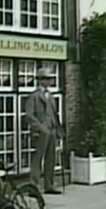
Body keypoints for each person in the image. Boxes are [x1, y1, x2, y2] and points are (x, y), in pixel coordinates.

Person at [25, 67, 65, 195]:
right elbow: (29, 115)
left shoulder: (51, 96)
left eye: (50, 78)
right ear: (40, 80)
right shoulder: (34, 96)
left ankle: (49, 185)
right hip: (41, 131)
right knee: (38, 159)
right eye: (47, 79)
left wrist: (58, 130)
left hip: (52, 129)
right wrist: (40, 127)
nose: (50, 81)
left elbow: (54, 114)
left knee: (51, 159)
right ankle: (34, 185)